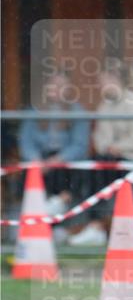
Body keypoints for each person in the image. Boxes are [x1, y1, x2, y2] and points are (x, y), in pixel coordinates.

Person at [69, 58, 133, 244]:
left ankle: (101, 226)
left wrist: (120, 147)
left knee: (102, 176)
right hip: (112, 160)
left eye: (102, 81)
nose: (99, 85)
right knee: (90, 173)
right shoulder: (105, 106)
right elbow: (100, 137)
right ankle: (95, 224)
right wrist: (109, 147)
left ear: (115, 79)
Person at [19, 70, 90, 205]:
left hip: (64, 161)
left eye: (61, 86)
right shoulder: (34, 110)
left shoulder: (77, 112)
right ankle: (35, 212)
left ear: (68, 89)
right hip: (40, 158)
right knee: (29, 174)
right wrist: (35, 159)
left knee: (63, 177)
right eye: (53, 85)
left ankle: (57, 212)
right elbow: (25, 140)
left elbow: (80, 145)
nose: (56, 89)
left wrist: (57, 160)